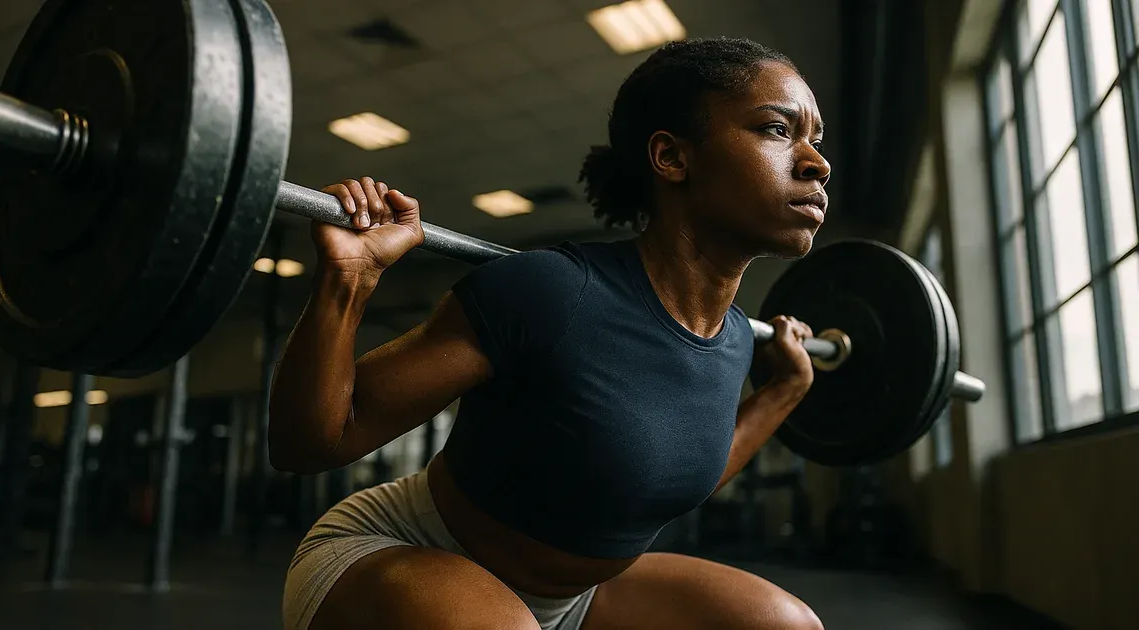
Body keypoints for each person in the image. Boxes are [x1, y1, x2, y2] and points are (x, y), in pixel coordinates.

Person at [273, 36, 830, 630]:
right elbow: (311, 443)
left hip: (573, 599)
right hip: (408, 552)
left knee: (786, 626)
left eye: (815, 141)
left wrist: (784, 391)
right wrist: (348, 280)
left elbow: (670, 469)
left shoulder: (738, 338)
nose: (816, 162)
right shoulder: (551, 292)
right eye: (777, 130)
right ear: (672, 157)